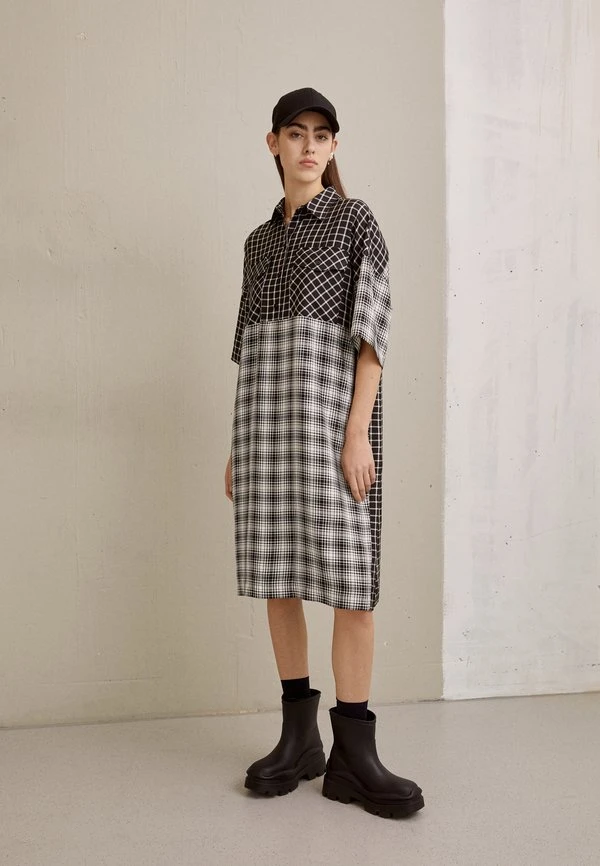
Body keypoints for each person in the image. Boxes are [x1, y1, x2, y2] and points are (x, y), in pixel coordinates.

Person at [224, 87, 424, 819]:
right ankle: (299, 740)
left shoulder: (354, 222)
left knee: (350, 587)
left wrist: (355, 433)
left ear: (334, 146)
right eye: (295, 133)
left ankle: (355, 757)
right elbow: (248, 352)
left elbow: (374, 336)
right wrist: (237, 446)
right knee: (278, 578)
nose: (309, 146)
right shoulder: (258, 242)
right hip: (266, 433)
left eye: (321, 135)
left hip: (334, 431)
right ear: (273, 143)